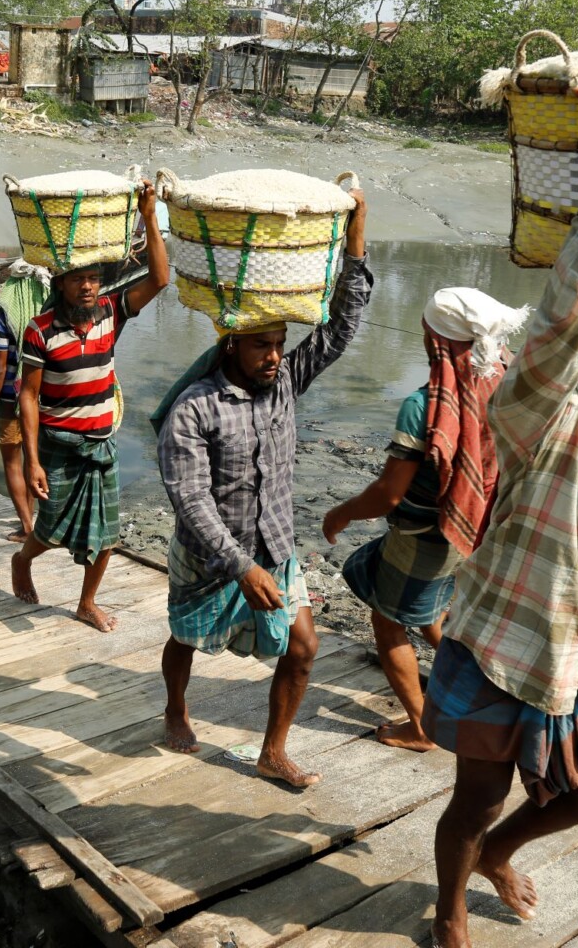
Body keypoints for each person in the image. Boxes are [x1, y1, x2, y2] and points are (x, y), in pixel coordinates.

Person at [425, 65, 578, 948]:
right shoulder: (539, 399)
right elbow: (563, 310)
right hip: (509, 641)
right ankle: (451, 902)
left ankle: (497, 853)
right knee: (475, 794)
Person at [154, 190, 371, 789]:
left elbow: (341, 328)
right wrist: (238, 565)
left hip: (274, 545)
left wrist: (355, 238)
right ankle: (175, 706)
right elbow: (189, 499)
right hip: (208, 555)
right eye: (261, 345)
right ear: (232, 345)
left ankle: (273, 750)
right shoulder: (194, 410)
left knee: (303, 647)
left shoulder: (284, 382)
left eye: (279, 343)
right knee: (184, 637)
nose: (275, 355)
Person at [322, 288, 528, 753]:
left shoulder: (425, 407)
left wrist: (341, 513)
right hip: (480, 526)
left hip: (427, 535)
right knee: (430, 605)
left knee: (388, 621)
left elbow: (388, 493)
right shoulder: (505, 379)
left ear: (436, 342)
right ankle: (480, 687)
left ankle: (421, 727)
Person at [10, 179, 170, 633]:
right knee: (52, 527)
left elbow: (160, 279)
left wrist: (149, 215)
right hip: (60, 444)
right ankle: (23, 560)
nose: (88, 286)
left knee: (107, 535)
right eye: (79, 278)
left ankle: (86, 602)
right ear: (60, 282)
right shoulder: (39, 332)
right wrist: (32, 461)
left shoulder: (111, 314)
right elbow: (28, 395)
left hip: (103, 444)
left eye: (95, 278)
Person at [0, 260, 50, 542]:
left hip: (11, 400)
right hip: (42, 398)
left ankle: (26, 526)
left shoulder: (4, 310)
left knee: (12, 462)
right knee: (34, 461)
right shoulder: (48, 307)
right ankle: (37, 521)